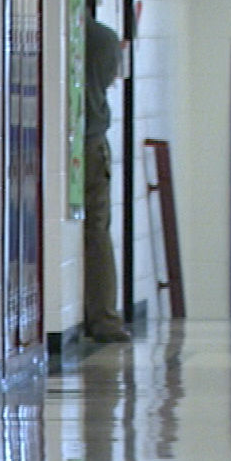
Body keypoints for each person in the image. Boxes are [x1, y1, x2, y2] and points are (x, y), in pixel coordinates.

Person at [83, 17, 131, 343]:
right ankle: (103, 317)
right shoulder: (104, 37)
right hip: (93, 141)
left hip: (63, 143)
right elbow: (113, 79)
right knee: (98, 229)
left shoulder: (57, 31)